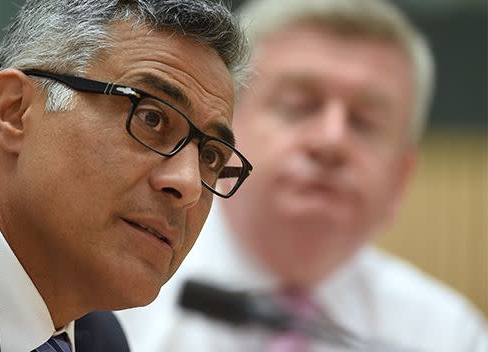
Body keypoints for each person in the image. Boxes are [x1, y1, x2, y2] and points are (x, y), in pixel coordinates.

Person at [0, 1, 252, 351]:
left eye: (211, 157)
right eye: (150, 118)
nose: (185, 184)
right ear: (15, 111)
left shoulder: (97, 337)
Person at [116, 0, 488, 351]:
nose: (331, 140)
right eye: (299, 107)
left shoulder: (446, 333)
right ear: (223, 137)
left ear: (400, 179)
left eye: (365, 122)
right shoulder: (118, 299)